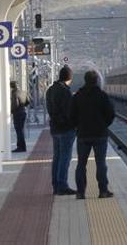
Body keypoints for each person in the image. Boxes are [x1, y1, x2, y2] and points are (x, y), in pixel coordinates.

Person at [70, 70, 116, 199]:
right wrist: (104, 124)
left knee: (81, 164)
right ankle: (103, 191)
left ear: (85, 80)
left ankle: (80, 192)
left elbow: (71, 115)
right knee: (101, 163)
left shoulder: (78, 96)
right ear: (96, 81)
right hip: (100, 134)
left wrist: (77, 126)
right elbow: (111, 114)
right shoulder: (102, 96)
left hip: (83, 134)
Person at [47, 66, 76, 195]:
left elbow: (50, 109)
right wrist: (72, 124)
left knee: (57, 157)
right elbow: (69, 112)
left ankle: (55, 185)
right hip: (66, 130)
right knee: (65, 157)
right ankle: (62, 186)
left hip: (54, 128)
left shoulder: (50, 90)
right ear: (69, 78)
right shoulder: (66, 92)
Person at [10, 81, 31, 152]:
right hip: (23, 112)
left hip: (17, 114)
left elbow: (15, 104)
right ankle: (23, 146)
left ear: (11, 86)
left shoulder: (14, 93)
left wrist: (11, 111)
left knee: (19, 131)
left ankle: (20, 147)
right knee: (21, 130)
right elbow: (28, 101)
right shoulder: (22, 91)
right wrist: (23, 106)